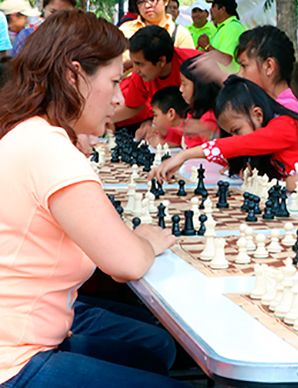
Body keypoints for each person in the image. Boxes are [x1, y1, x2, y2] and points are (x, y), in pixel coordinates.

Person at [0, 10, 185, 386]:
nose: (119, 99)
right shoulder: (48, 148)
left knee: (152, 353)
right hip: (15, 362)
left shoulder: (31, 133)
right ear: (73, 76)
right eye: (115, 81)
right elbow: (128, 263)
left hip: (35, 336)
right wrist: (146, 240)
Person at [151, 75, 298, 192]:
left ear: (257, 114)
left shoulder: (286, 126)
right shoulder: (265, 139)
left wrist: (184, 155)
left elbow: (240, 145)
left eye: (236, 130)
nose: (236, 138)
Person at [190, 25, 298, 114]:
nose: (239, 74)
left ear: (269, 66)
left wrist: (219, 75)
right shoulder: (268, 103)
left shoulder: (286, 110)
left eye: (244, 66)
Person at [113, 25, 199, 135]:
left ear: (161, 61)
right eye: (134, 63)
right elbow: (133, 107)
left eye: (139, 64)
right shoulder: (140, 76)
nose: (135, 70)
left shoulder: (196, 66)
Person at [119, 0, 194, 67]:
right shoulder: (125, 29)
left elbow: (189, 69)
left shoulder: (180, 33)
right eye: (141, 2)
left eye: (152, 0)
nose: (147, 5)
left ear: (166, 1)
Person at [178, 55, 220, 146]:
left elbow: (211, 150)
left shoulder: (208, 118)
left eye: (184, 84)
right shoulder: (194, 112)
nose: (180, 89)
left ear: (200, 86)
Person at [11, 0, 76, 56]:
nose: (58, 17)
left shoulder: (77, 37)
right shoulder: (27, 35)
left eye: (65, 13)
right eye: (53, 12)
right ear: (44, 8)